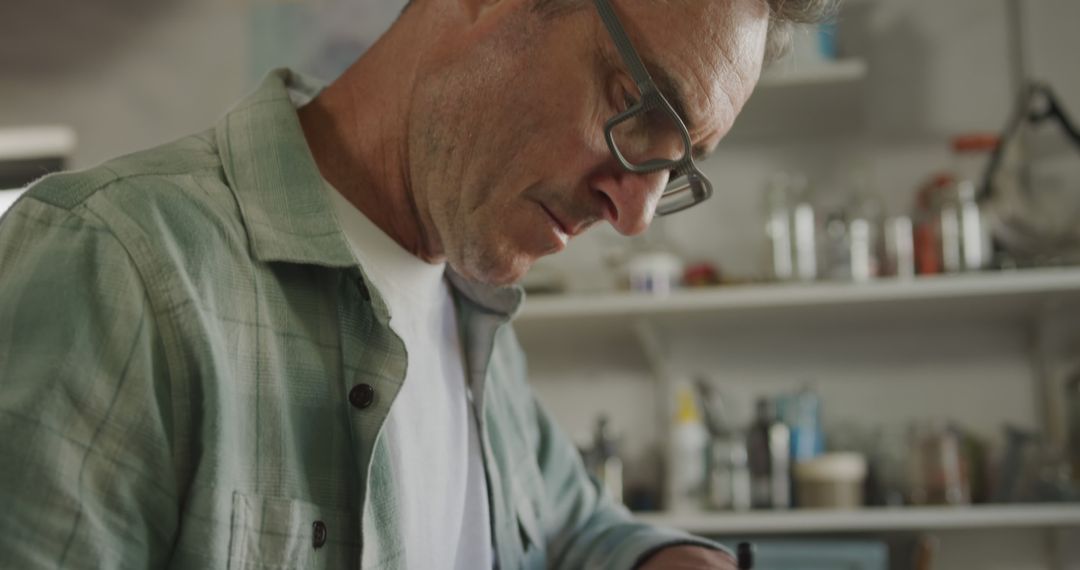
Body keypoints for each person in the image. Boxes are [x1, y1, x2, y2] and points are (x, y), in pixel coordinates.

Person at [0, 0, 831, 567]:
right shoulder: (114, 264)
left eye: (676, 164)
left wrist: (664, 559)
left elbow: (571, 525)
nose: (636, 213)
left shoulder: (474, 315)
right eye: (632, 100)